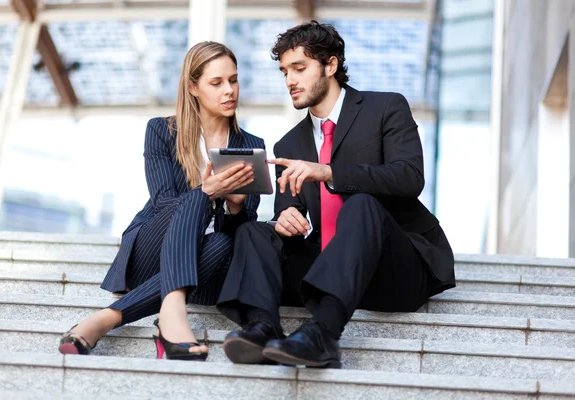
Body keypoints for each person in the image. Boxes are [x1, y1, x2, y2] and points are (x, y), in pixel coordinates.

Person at [216, 21, 455, 368]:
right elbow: (290, 209)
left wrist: (328, 172)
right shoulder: (290, 144)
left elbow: (409, 178)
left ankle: (323, 334)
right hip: (329, 269)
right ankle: (262, 327)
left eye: (299, 68)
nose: (290, 81)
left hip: (395, 268)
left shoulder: (386, 108)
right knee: (256, 231)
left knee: (361, 204)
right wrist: (286, 218)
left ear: (330, 65)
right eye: (285, 72)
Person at [58, 41, 265, 361]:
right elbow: (164, 201)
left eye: (233, 80)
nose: (229, 91)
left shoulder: (251, 145)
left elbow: (244, 234)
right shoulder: (161, 130)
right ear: (193, 87)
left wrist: (235, 206)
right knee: (197, 197)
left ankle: (106, 319)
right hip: (150, 251)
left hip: (205, 269)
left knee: (223, 242)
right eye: (217, 82)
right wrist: (208, 191)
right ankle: (170, 318)